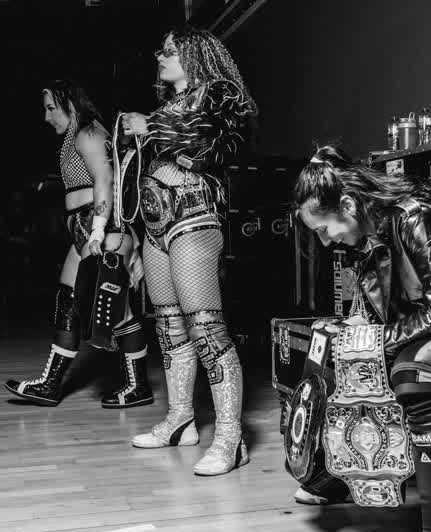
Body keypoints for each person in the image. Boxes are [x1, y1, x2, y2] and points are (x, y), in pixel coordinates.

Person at [294, 144, 431, 532]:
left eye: (324, 229)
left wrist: (373, 340)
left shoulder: (415, 217)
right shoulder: (374, 229)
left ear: (348, 205)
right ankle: (337, 474)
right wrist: (354, 335)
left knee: (412, 374)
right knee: (341, 354)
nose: (325, 242)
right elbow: (387, 309)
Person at [120, 27, 257, 476]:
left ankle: (231, 439)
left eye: (170, 51)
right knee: (168, 325)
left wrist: (152, 126)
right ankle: (180, 421)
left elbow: (219, 141)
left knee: (206, 328)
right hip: (156, 223)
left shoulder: (220, 93)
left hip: (194, 218)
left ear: (194, 53)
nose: (160, 56)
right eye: (160, 50)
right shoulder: (168, 106)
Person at [5, 79, 152, 409]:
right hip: (84, 228)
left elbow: (105, 180)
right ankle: (50, 385)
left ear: (69, 104)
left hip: (99, 228)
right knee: (68, 302)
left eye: (51, 108)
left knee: (115, 312)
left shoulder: (88, 133)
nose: (46, 117)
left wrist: (99, 230)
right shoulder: (77, 136)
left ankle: (138, 386)